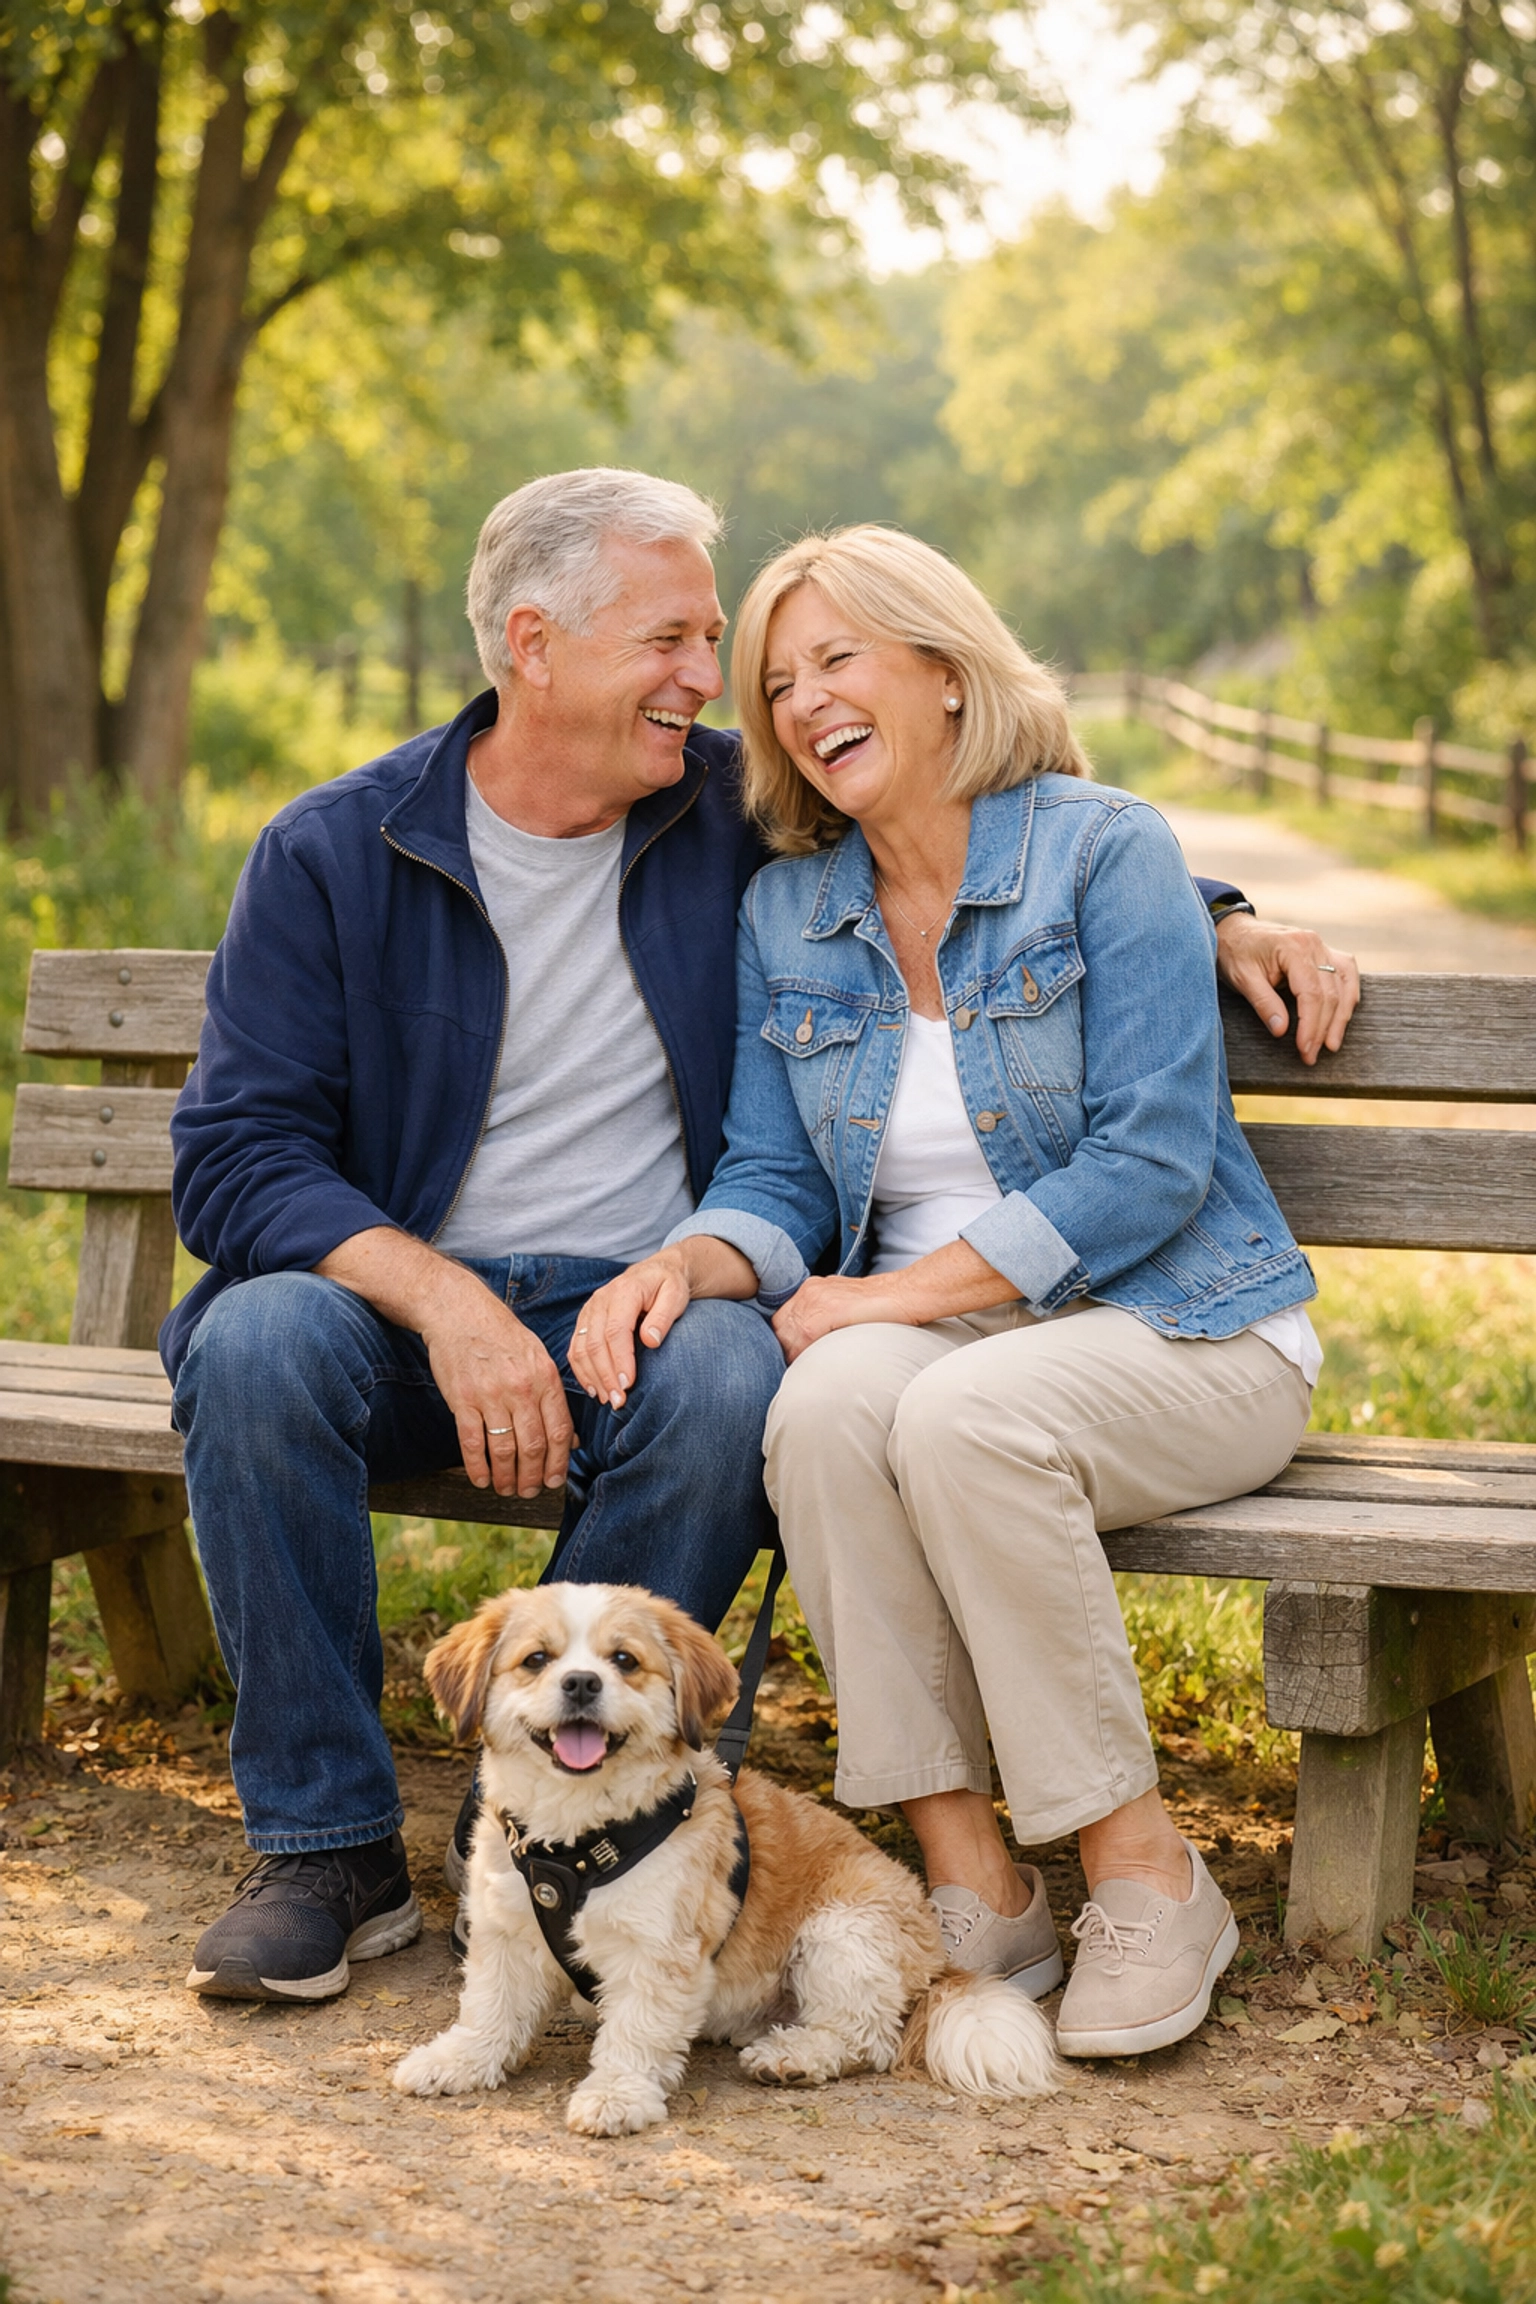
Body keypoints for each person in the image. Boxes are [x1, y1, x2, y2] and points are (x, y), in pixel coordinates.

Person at [167, 469, 1354, 2008]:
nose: (716, 685)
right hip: (410, 1317)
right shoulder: (336, 853)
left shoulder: (727, 811)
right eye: (679, 642)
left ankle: (562, 1836)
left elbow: (984, 838)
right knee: (254, 1339)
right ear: (533, 642)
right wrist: (445, 1300)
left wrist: (1220, 916)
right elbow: (236, 1157)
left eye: (722, 646)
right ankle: (327, 1848)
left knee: (744, 1381)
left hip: (660, 1311)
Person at [570, 524, 1327, 2061]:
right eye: (778, 682)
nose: (801, 704)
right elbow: (775, 1176)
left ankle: (1145, 1874)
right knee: (828, 1409)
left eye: (838, 659)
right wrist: (692, 1261)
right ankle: (976, 1880)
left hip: (1187, 1319)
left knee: (955, 1408)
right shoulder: (796, 911)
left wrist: (897, 1295)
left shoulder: (1104, 851)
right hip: (949, 1340)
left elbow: (1151, 1164)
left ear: (942, 664)